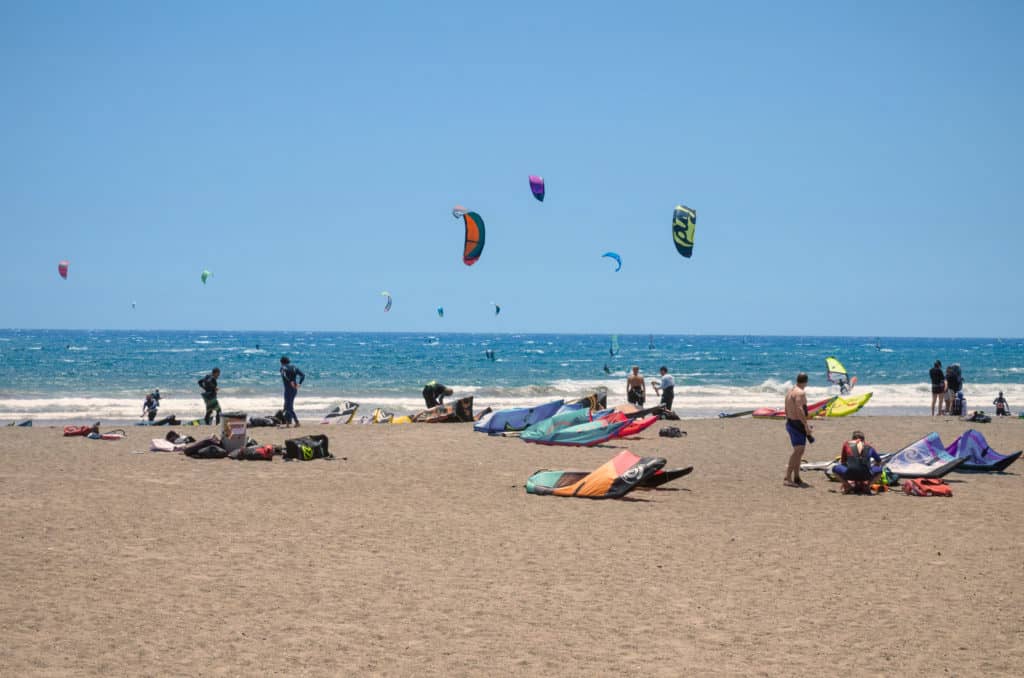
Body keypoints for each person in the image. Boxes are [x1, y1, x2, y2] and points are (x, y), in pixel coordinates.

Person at [783, 373, 813, 488]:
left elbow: (786, 408)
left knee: (799, 452)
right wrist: (805, 425)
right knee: (798, 451)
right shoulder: (800, 392)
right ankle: (788, 478)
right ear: (806, 381)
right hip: (797, 424)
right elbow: (800, 409)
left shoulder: (790, 392)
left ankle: (796, 476)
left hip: (791, 422)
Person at [832, 430, 882, 495]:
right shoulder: (869, 447)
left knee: (834, 469)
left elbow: (843, 462)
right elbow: (878, 461)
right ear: (863, 439)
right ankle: (867, 486)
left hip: (849, 474)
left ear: (853, 439)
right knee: (880, 470)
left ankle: (848, 486)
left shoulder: (846, 444)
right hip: (866, 475)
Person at [279, 356, 305, 427]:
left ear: (281, 362)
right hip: (294, 389)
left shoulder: (283, 368)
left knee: (288, 407)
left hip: (288, 389)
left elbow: (284, 375)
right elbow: (303, 375)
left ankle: (296, 422)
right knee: (287, 406)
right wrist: (299, 383)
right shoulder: (294, 367)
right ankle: (288, 422)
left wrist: (290, 381)